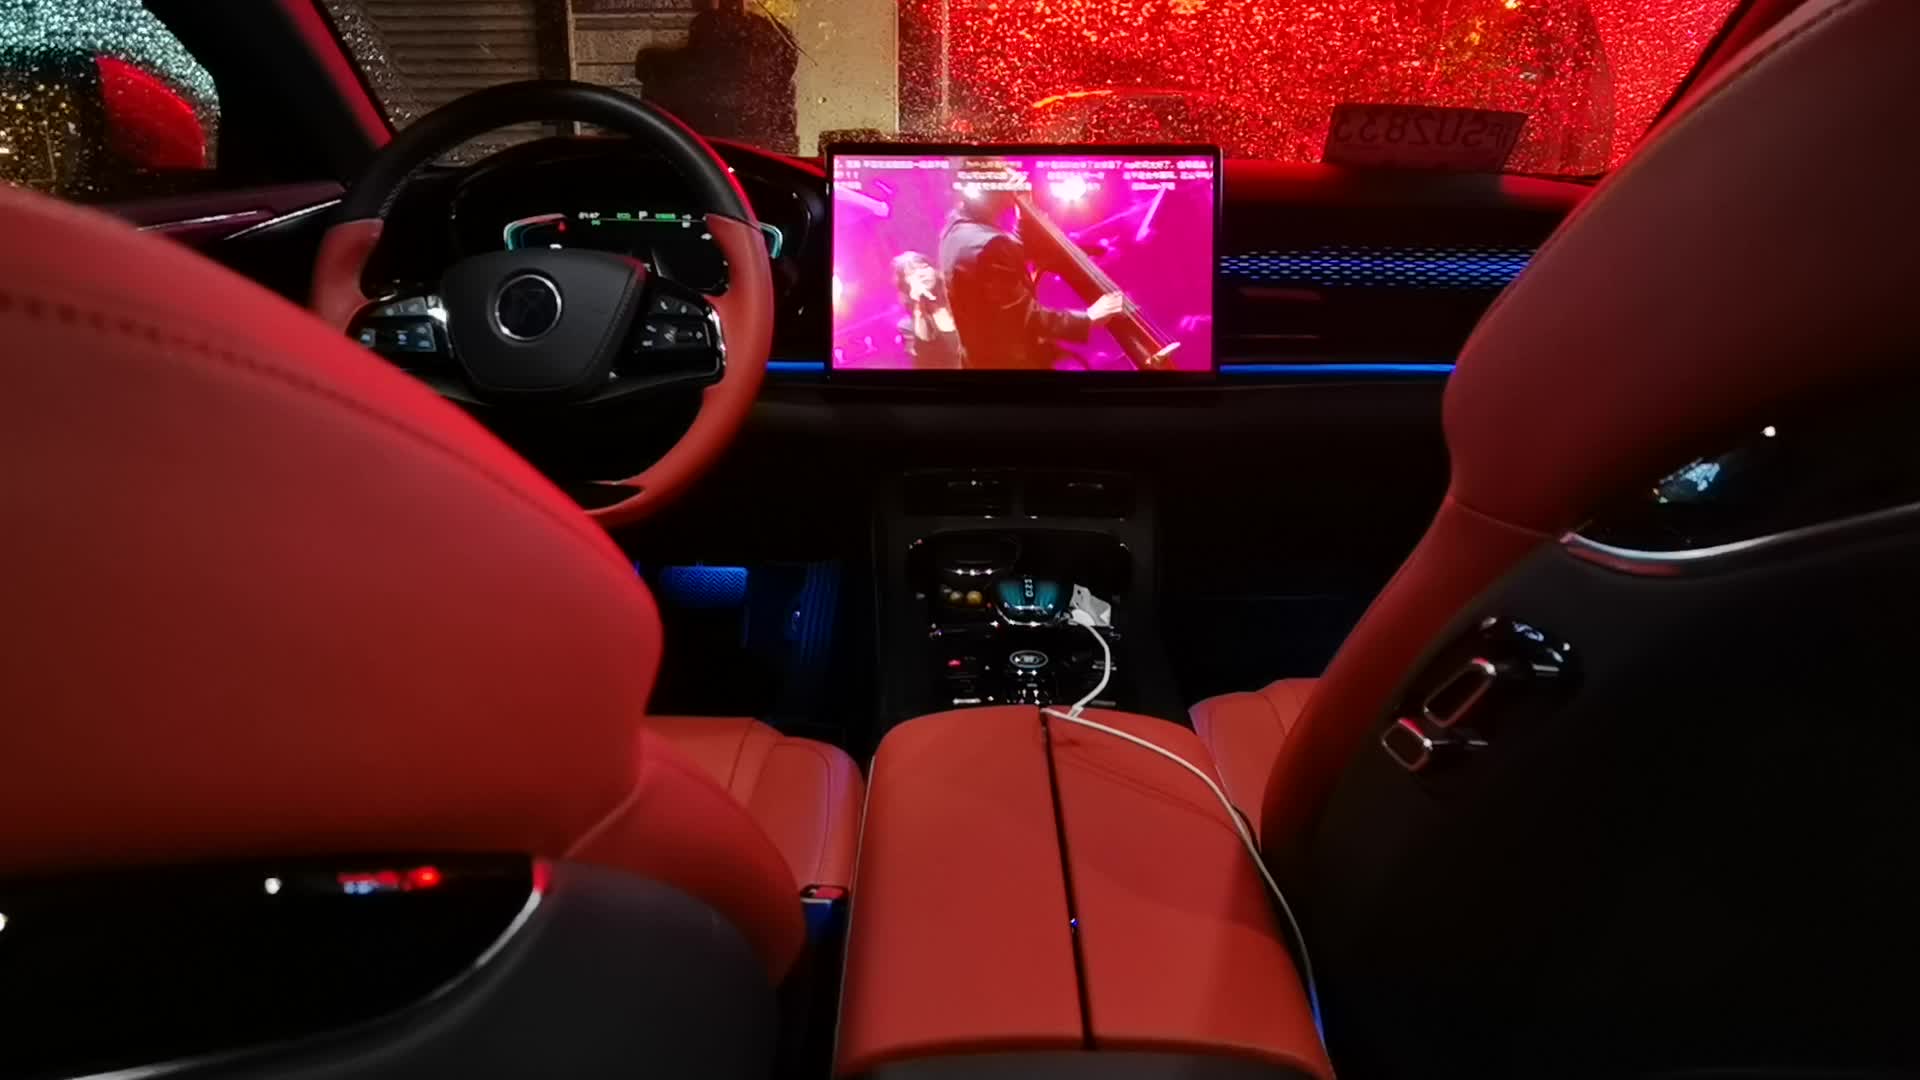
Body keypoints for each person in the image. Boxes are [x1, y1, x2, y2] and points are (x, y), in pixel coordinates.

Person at [937, 188, 1125, 370]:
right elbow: (1026, 318)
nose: (1015, 183)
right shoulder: (985, 243)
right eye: (1006, 177)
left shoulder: (958, 230)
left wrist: (1024, 218)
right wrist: (1088, 318)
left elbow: (1010, 253)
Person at [891, 251, 962, 369]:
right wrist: (918, 305)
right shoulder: (908, 326)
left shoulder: (959, 295)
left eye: (924, 267)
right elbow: (924, 355)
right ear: (904, 284)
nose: (920, 274)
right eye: (911, 273)